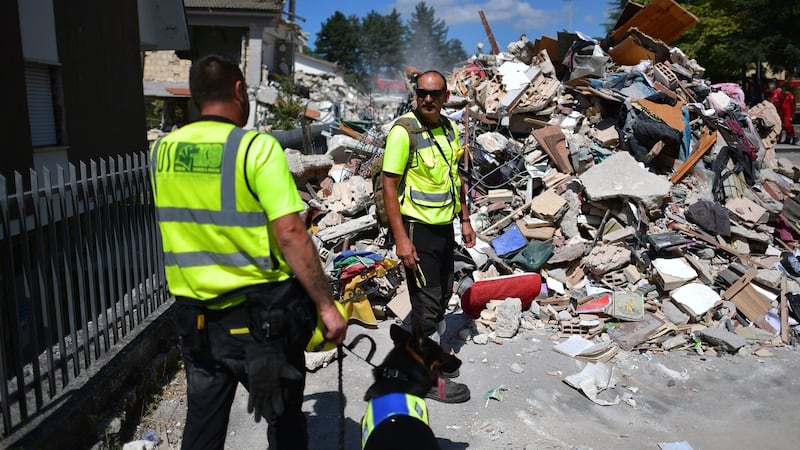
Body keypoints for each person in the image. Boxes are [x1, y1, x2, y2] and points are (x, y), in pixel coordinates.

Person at [149, 54, 347, 450]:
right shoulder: (255, 148)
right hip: (258, 319)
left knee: (203, 424)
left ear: (195, 95)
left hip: (195, 318)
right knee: (284, 419)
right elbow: (291, 233)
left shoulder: (163, 151)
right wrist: (326, 306)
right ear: (239, 90)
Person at [381, 70, 476, 403]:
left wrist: (464, 219)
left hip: (443, 229)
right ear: (415, 94)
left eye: (435, 94)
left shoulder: (449, 129)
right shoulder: (403, 132)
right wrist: (401, 240)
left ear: (446, 97)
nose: (428, 99)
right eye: (422, 93)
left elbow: (457, 177)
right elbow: (389, 187)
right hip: (416, 230)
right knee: (426, 305)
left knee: (442, 295)